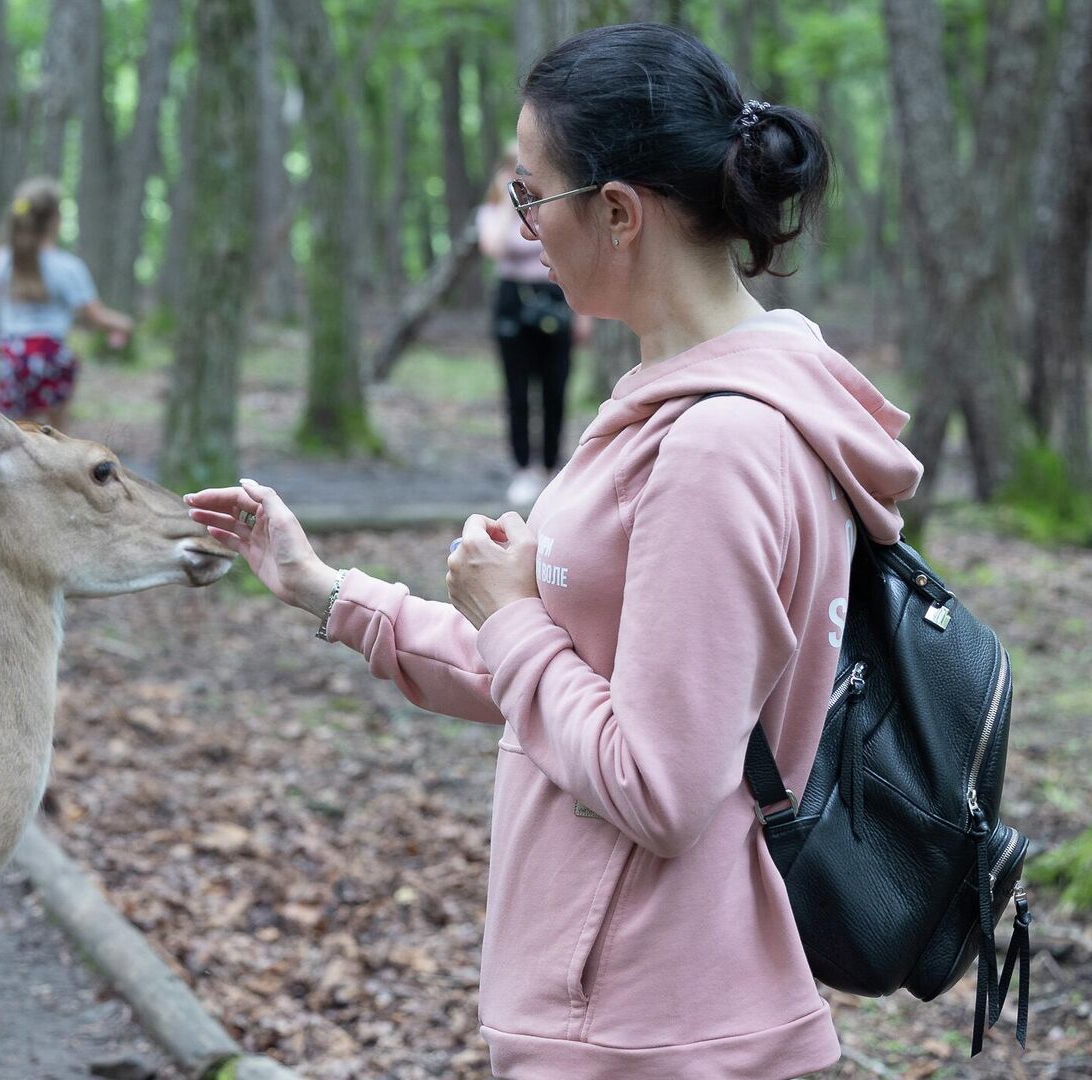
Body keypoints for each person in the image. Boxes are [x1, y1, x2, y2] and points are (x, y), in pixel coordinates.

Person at [186, 23, 923, 1080]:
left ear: (618, 212)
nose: (523, 226)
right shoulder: (687, 404)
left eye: (533, 195)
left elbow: (657, 786)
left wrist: (514, 611)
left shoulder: (718, 446)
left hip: (645, 1025)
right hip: (632, 1008)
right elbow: (578, 680)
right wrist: (326, 590)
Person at [476, 143, 591, 509]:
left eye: (522, 168)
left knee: (555, 386)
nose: (516, 174)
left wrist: (583, 315)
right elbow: (492, 247)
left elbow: (574, 254)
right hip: (513, 300)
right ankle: (523, 467)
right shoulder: (493, 212)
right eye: (510, 168)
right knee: (517, 390)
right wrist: (513, 203)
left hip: (555, 295)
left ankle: (551, 466)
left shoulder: (553, 210)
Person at [0, 177, 134, 430]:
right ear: (54, 220)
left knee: (14, 432)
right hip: (52, 358)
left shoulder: (4, 258)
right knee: (57, 433)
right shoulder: (68, 267)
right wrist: (124, 325)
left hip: (14, 358)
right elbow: (95, 316)